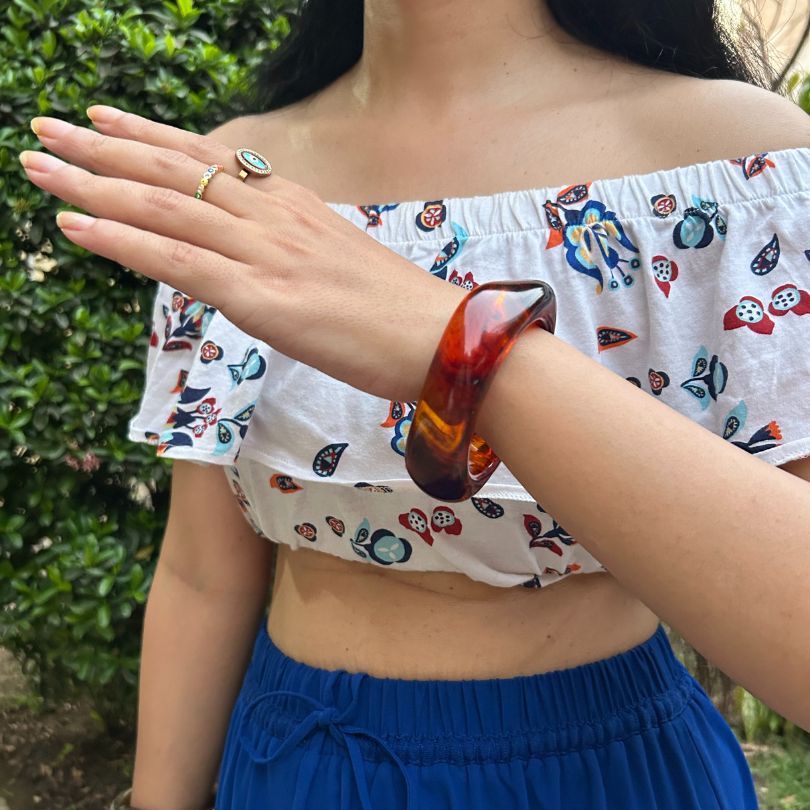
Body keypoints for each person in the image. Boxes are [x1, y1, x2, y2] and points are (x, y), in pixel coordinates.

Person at [19, 0, 810, 807]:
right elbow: (199, 573)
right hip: (296, 764)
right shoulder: (229, 179)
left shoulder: (744, 167)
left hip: (604, 774)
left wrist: (456, 344)